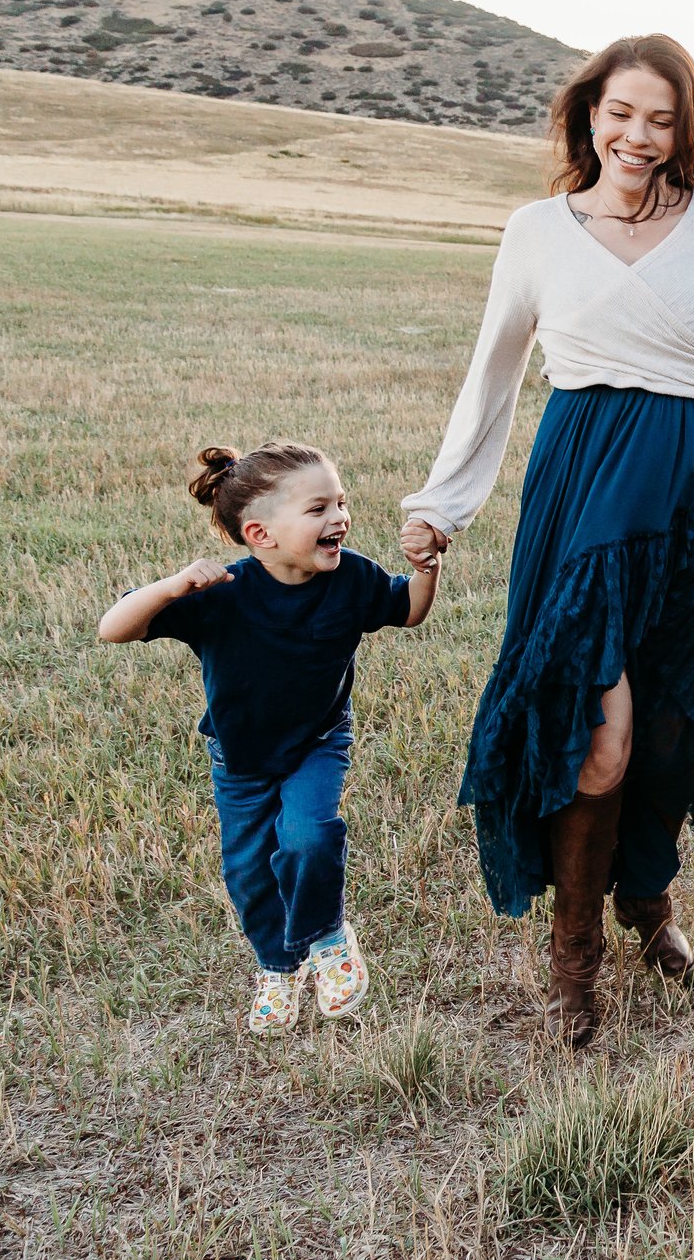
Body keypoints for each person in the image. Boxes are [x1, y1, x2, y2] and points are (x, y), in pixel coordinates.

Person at [399, 33, 694, 1046]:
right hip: (582, 483)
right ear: (587, 113)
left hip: (691, 484)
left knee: (672, 720)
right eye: (620, 112)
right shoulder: (535, 230)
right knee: (595, 733)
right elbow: (494, 377)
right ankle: (575, 951)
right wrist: (444, 501)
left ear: (689, 127)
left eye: (662, 118)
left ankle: (648, 898)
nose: (638, 136)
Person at [98, 441, 439, 1035]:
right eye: (318, 510)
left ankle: (328, 936)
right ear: (260, 533)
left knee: (308, 837)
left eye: (341, 503)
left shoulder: (351, 576)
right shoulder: (222, 595)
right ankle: (278, 966)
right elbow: (113, 629)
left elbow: (407, 611)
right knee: (251, 872)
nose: (339, 518)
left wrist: (426, 569)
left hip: (317, 742)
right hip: (242, 761)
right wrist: (173, 585)